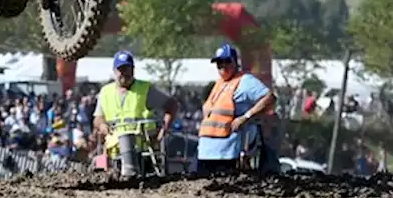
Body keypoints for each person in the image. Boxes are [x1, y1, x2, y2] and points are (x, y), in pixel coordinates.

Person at [92, 51, 179, 176]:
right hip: (114, 153)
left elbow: (172, 105)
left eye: (127, 69)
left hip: (143, 152)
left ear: (133, 70)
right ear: (114, 71)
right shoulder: (105, 92)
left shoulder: (145, 89)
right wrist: (102, 125)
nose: (124, 73)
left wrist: (163, 131)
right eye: (120, 69)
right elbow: (98, 118)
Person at [196, 43, 277, 175]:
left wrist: (246, 116)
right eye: (219, 63)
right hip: (206, 149)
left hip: (228, 150)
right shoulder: (219, 84)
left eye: (227, 62)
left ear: (235, 62)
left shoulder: (245, 80)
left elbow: (269, 98)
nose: (223, 66)